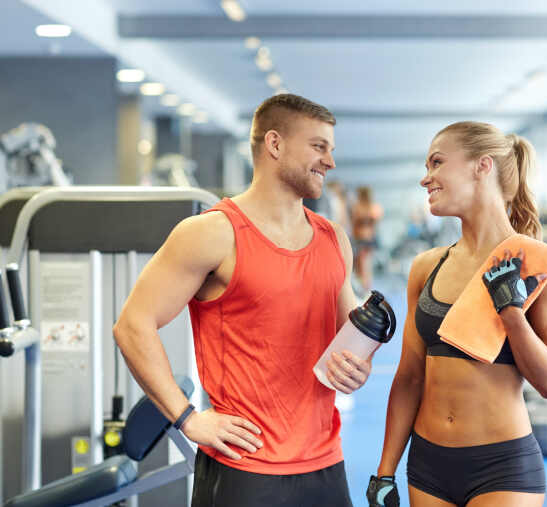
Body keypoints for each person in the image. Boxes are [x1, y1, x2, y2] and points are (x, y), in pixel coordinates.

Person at [113, 93, 373, 506]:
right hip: (245, 468)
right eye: (319, 147)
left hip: (325, 463)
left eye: (331, 150)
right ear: (275, 144)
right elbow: (132, 325)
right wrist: (187, 419)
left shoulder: (333, 238)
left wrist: (357, 366)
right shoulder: (212, 234)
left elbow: (347, 336)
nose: (331, 161)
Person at [368, 121, 547, 507]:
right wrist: (384, 471)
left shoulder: (541, 265)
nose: (425, 178)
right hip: (428, 463)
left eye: (436, 163)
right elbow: (410, 376)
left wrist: (512, 314)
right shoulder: (426, 267)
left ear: (483, 166)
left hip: (502, 465)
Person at [351, 185, 384, 290]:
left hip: (363, 238)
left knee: (362, 264)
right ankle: (365, 286)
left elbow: (354, 223)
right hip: (367, 238)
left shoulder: (358, 207)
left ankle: (365, 287)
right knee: (364, 264)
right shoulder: (372, 207)